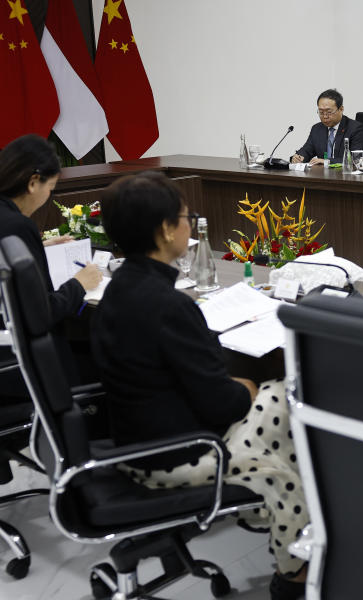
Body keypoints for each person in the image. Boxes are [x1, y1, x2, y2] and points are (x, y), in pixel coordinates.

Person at [90, 172, 307, 600]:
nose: (191, 226)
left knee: (276, 409)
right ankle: (294, 572)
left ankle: (272, 519)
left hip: (135, 440)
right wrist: (244, 386)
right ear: (167, 229)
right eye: (187, 218)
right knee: (285, 398)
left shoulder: (117, 291)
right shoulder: (168, 305)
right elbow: (221, 405)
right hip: (178, 453)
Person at [0, 134, 103, 400]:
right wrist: (80, 283)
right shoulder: (17, 226)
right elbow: (41, 312)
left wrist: (40, 247)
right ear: (34, 183)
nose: (50, 196)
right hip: (27, 365)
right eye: (51, 187)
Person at [291, 88, 363, 164]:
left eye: (329, 112)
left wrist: (327, 161)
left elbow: (357, 159)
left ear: (341, 109)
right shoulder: (317, 129)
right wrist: (298, 157)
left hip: (345, 175)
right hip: (321, 175)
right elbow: (307, 150)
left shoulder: (355, 128)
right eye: (321, 112)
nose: (325, 116)